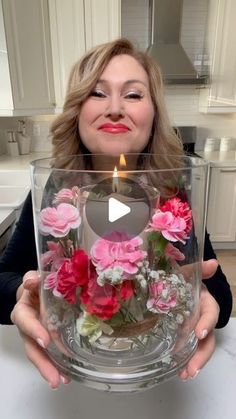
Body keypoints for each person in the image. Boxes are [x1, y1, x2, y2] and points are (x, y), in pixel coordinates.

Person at [0, 38, 232, 389]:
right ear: (77, 110)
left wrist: (199, 295)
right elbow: (4, 279)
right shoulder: (56, 193)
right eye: (97, 93)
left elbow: (220, 298)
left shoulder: (172, 193)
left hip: (159, 373)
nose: (114, 108)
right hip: (77, 371)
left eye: (134, 94)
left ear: (154, 114)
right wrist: (24, 293)